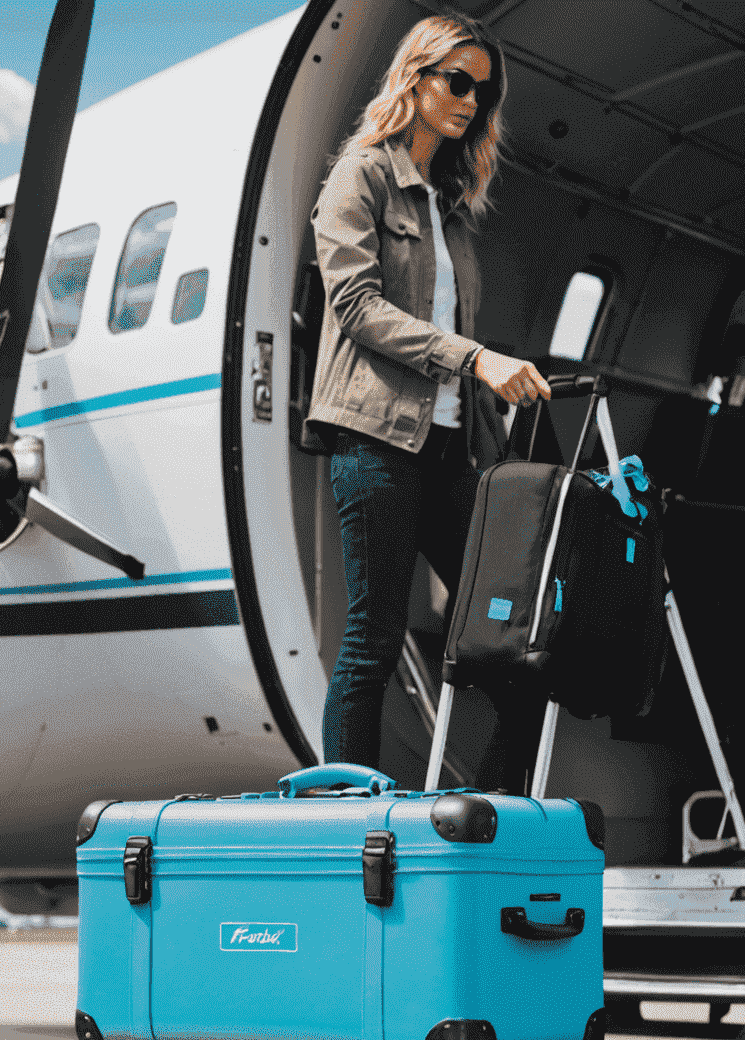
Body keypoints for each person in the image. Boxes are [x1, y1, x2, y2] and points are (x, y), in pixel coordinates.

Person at [303, 10, 551, 787]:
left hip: (451, 449)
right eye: (458, 80)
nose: (472, 100)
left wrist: (497, 440)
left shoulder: (449, 207)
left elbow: (457, 334)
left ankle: (482, 820)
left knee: (514, 646)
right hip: (374, 441)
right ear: (415, 77)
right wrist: (477, 359)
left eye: (484, 89)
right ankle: (345, 824)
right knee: (372, 643)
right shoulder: (363, 174)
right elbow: (357, 308)